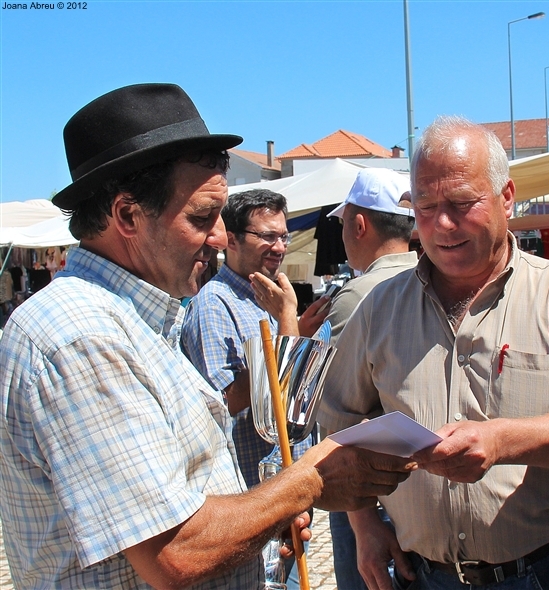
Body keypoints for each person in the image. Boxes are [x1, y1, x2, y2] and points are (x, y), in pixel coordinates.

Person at [0, 83, 415, 589]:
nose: (220, 236)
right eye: (201, 217)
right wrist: (310, 481)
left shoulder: (141, 320)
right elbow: (175, 552)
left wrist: (258, 521)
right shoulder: (81, 337)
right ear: (128, 215)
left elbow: (186, 498)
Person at [319, 115, 549, 590]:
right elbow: (339, 421)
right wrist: (364, 526)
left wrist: (501, 441)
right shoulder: (378, 308)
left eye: (463, 203)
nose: (443, 224)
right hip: (427, 576)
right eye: (425, 206)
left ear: (507, 197)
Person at [181, 188, 328, 489]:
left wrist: (298, 333)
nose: (279, 247)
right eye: (267, 237)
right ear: (231, 240)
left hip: (289, 479)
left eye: (283, 236)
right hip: (251, 488)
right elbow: (225, 403)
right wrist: (287, 325)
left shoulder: (267, 297)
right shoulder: (214, 304)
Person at [321, 167, 418, 590]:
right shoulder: (433, 279)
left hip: (374, 496)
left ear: (358, 225)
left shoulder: (357, 296)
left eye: (343, 224)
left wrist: (361, 521)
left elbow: (338, 417)